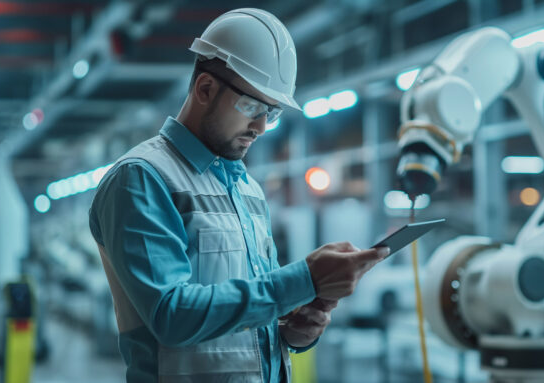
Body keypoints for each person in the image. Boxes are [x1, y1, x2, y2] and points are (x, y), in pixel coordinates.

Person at [88, 8, 388, 382]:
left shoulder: (247, 188)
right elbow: (172, 315)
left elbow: (250, 313)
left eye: (272, 112)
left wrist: (293, 331)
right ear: (205, 89)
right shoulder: (142, 179)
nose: (261, 126)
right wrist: (302, 280)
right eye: (252, 106)